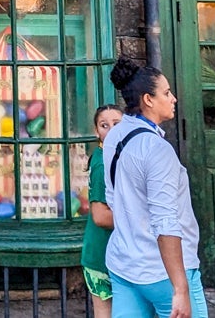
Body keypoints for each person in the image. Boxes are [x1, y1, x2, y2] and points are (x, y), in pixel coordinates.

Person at [101, 57, 207, 318]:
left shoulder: (114, 136)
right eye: (167, 93)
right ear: (148, 99)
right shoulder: (157, 149)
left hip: (123, 263)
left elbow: (113, 198)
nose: (173, 99)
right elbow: (165, 221)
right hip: (162, 271)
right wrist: (180, 288)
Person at [83, 103, 124, 318]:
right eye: (104, 125)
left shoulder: (115, 157)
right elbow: (100, 216)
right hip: (102, 252)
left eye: (116, 124)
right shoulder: (101, 163)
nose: (111, 130)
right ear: (96, 131)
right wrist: (141, 222)